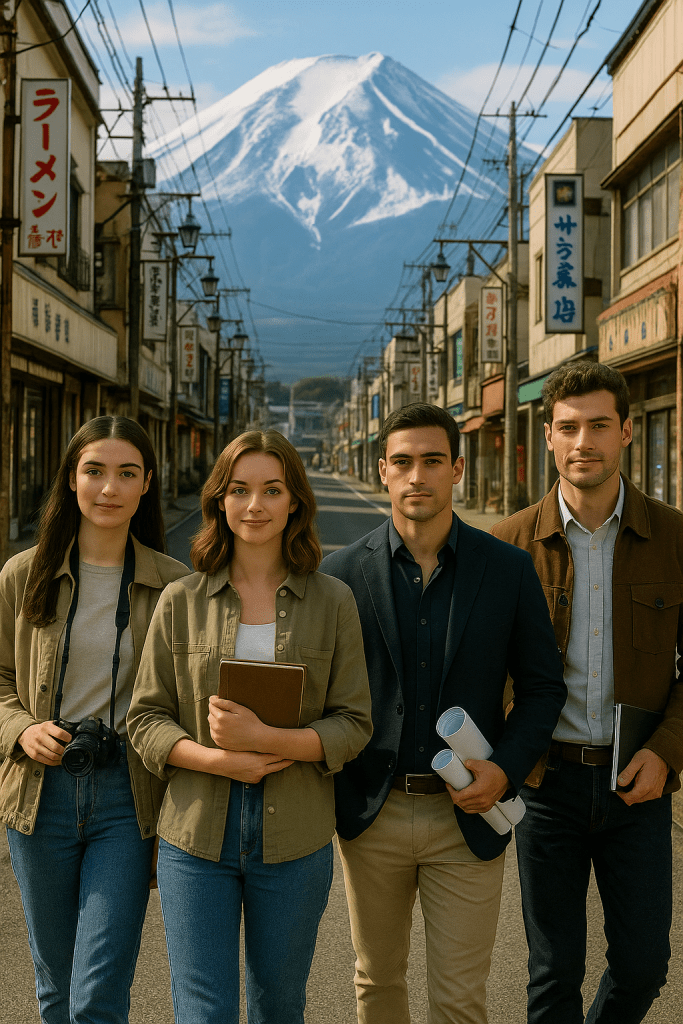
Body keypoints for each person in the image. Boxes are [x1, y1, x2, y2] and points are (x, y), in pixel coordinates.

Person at [319, 403, 566, 1024]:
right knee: (376, 984)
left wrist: (504, 771)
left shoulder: (506, 569)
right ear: (382, 471)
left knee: (460, 999)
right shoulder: (341, 573)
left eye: (433, 461)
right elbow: (320, 695)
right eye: (402, 462)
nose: (417, 476)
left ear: (458, 468)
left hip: (469, 813)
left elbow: (542, 688)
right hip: (372, 812)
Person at [127, 429, 372, 1024]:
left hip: (295, 836)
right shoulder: (180, 599)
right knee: (203, 1008)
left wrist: (266, 741)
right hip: (194, 834)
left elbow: (355, 723)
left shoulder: (333, 600)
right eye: (239, 490)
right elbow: (145, 717)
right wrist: (217, 760)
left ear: (295, 502)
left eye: (271, 490)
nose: (254, 505)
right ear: (219, 500)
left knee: (279, 1005)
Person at [491, 360, 683, 1024]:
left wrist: (665, 751)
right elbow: (486, 674)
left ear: (627, 431)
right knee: (552, 975)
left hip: (639, 782)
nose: (582, 442)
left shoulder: (674, 538)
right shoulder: (508, 544)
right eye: (567, 427)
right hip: (546, 789)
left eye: (598, 425)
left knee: (642, 966)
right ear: (547, 435)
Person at [0, 416, 189, 1024]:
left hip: (126, 794)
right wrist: (23, 729)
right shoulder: (21, 575)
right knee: (55, 983)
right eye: (95, 471)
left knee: (99, 988)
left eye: (126, 473)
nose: (109, 488)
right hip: (40, 790)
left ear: (146, 484)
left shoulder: (174, 587)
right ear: (72, 480)